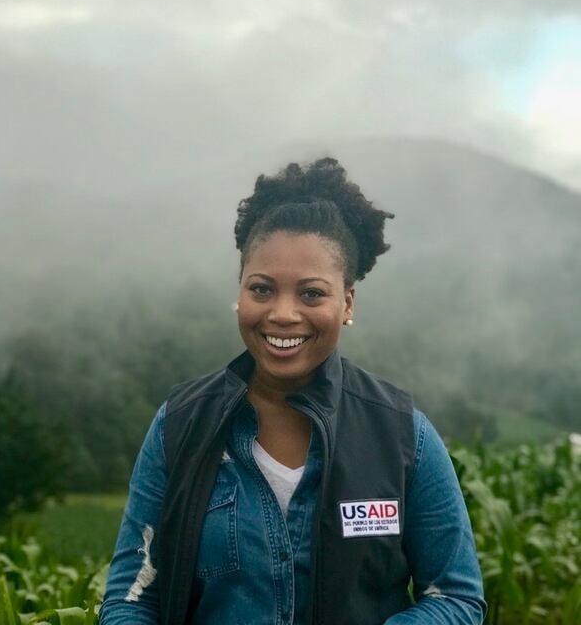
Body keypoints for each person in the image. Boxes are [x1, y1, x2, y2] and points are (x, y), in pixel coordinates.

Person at [99, 157, 487, 625]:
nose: (282, 314)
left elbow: (455, 597)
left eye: (311, 294)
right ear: (240, 293)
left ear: (347, 302)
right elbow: (132, 597)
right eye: (262, 289)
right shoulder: (180, 425)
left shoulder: (402, 433)